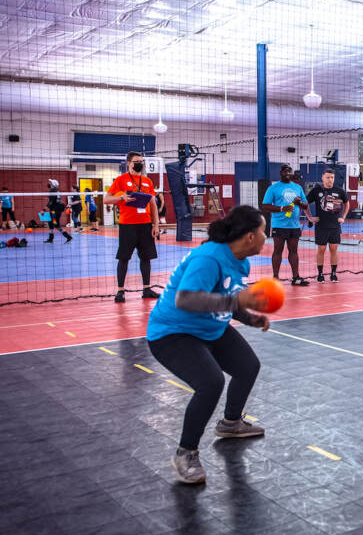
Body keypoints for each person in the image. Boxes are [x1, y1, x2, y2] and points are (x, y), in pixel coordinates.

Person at [146, 205, 269, 484]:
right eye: (263, 232)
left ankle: (230, 423)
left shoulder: (240, 261)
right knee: (211, 382)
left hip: (209, 327)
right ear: (250, 236)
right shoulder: (209, 258)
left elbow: (230, 296)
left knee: (248, 366)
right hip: (173, 333)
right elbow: (186, 300)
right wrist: (236, 302)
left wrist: (250, 318)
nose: (265, 238)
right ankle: (185, 452)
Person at [106, 152, 159, 302]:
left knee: (146, 257)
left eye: (141, 161)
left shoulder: (147, 181)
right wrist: (120, 197)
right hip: (127, 225)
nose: (139, 163)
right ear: (128, 163)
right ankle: (120, 291)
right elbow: (106, 199)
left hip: (145, 225)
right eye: (136, 161)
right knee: (123, 258)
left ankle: (147, 289)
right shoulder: (120, 180)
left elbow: (153, 204)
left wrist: (155, 224)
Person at [261, 164, 310, 286]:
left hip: (294, 225)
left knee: (294, 251)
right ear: (280, 173)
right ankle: (276, 278)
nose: (287, 172)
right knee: (278, 250)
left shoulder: (297, 188)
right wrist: (282, 208)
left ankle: (296, 277)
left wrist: (299, 203)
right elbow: (265, 206)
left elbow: (305, 205)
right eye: (285, 171)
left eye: (289, 170)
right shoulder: (273, 188)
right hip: (279, 225)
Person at [305, 168, 349, 283]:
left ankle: (333, 274)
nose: (330, 180)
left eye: (332, 178)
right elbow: (305, 203)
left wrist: (343, 217)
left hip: (335, 225)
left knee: (334, 249)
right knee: (321, 249)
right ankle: (320, 274)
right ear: (323, 178)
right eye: (328, 177)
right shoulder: (316, 190)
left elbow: (347, 204)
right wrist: (310, 217)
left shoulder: (339, 191)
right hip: (321, 225)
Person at [44, 179, 73, 243]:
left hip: (54, 211)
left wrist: (43, 210)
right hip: (55, 211)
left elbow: (50, 202)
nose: (49, 183)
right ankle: (51, 239)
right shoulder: (57, 191)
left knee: (56, 225)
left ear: (52, 185)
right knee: (51, 223)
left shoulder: (52, 191)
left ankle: (68, 237)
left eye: (50, 183)